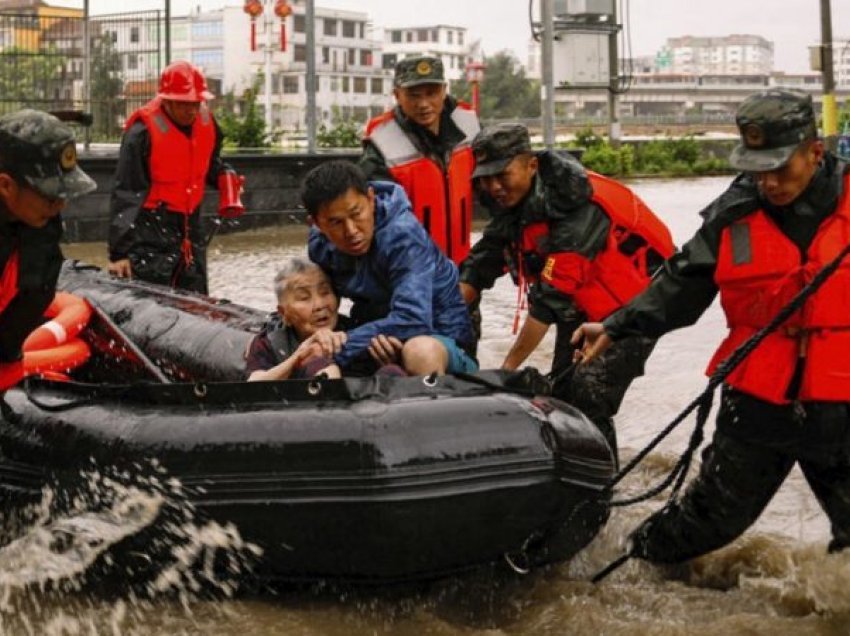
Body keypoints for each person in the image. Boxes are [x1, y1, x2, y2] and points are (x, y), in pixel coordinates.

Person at [571, 88, 850, 564]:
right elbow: (682, 284)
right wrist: (617, 326)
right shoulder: (732, 214)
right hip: (759, 399)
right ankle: (632, 563)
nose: (770, 183)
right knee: (709, 519)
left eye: (781, 168)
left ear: (815, 152)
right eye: (759, 169)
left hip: (841, 402)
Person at [458, 123, 673, 452]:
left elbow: (547, 303)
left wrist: (506, 371)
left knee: (589, 392)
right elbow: (481, 264)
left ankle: (602, 486)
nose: (494, 186)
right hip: (581, 307)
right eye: (485, 178)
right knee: (561, 395)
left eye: (502, 174)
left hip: (635, 308)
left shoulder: (578, 208)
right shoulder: (514, 205)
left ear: (531, 165)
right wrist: (444, 313)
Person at [303, 160, 477, 377]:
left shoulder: (403, 237)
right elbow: (324, 303)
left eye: (356, 213)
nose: (351, 231)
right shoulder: (320, 245)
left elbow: (413, 319)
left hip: (437, 339)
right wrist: (322, 337)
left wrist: (343, 345)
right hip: (376, 336)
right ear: (317, 224)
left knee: (419, 351)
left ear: (371, 199)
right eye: (336, 223)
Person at [107, 60, 245, 294]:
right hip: (150, 227)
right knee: (152, 298)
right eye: (183, 104)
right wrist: (119, 253)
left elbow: (209, 163)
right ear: (166, 100)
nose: (190, 110)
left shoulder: (207, 124)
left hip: (191, 225)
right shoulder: (141, 134)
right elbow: (127, 192)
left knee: (195, 294)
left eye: (195, 103)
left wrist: (225, 176)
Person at [0, 109, 96, 392]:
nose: (60, 206)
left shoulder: (40, 224)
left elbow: (35, 294)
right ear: (6, 185)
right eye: (50, 196)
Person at [359, 55, 480, 266]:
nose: (423, 104)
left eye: (431, 93)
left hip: (462, 269)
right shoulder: (381, 142)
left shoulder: (468, 124)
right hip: (411, 273)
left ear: (444, 91)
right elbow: (376, 219)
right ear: (397, 95)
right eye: (413, 95)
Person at [245, 258, 348, 382]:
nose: (319, 305)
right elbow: (254, 385)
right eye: (304, 298)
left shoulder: (355, 330)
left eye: (325, 292)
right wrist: (297, 358)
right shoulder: (270, 342)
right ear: (284, 313)